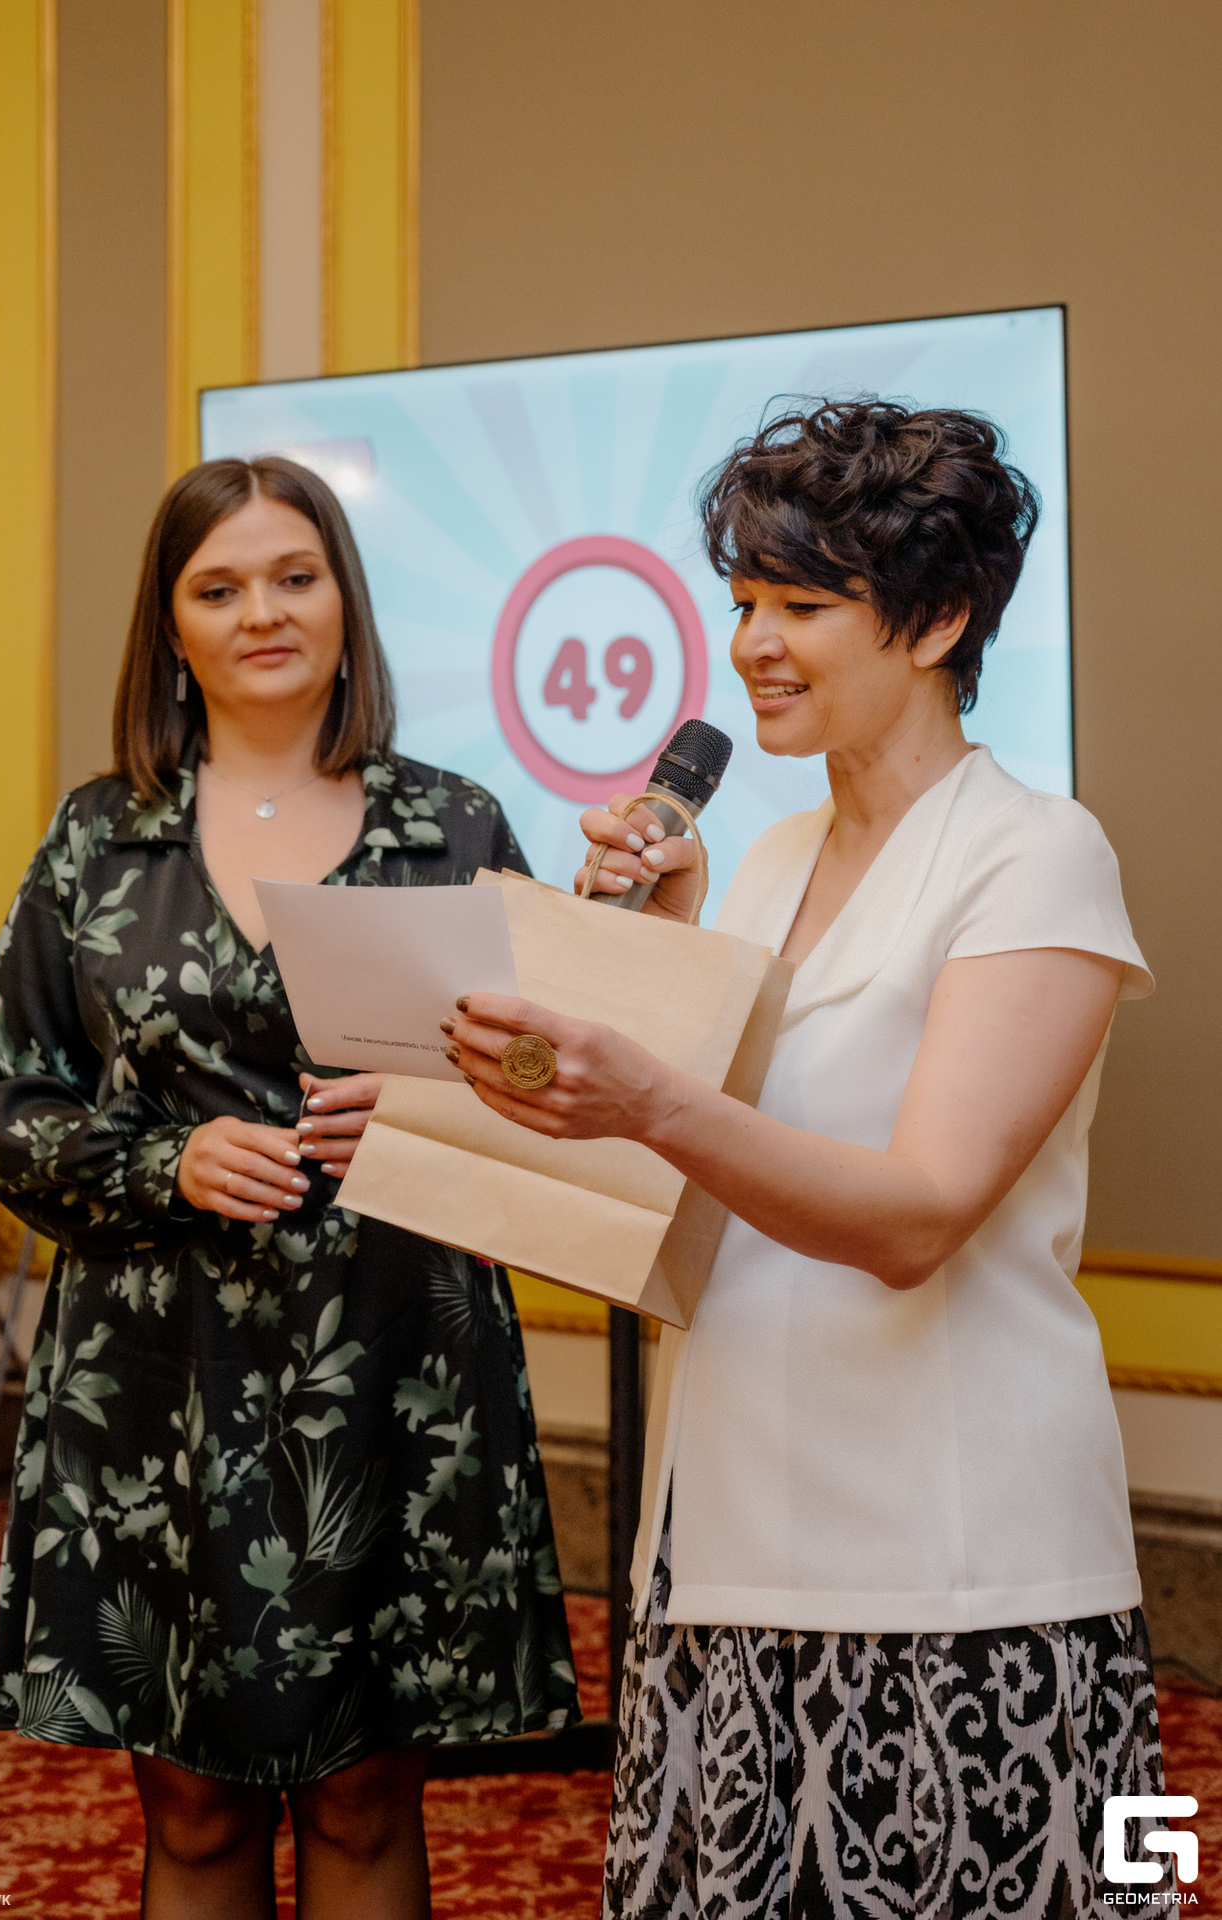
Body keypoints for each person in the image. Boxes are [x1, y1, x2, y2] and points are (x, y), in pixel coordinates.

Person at [444, 403, 1172, 1917]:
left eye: (801, 605)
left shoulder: (1037, 852)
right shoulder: (765, 862)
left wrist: (649, 1093)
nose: (752, 646)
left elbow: (916, 1218)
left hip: (969, 1564)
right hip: (724, 1531)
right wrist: (648, 969)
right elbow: (721, 1181)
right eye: (742, 604)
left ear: (940, 619)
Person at [0, 457, 578, 1920]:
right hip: (155, 1383)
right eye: (219, 587)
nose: (263, 613)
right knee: (192, 1805)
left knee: (365, 1795)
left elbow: (560, 1089)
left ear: (344, 601)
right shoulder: (97, 839)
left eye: (295, 576)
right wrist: (160, 1160)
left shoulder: (456, 828)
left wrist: (428, 1121)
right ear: (171, 627)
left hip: (399, 1371)